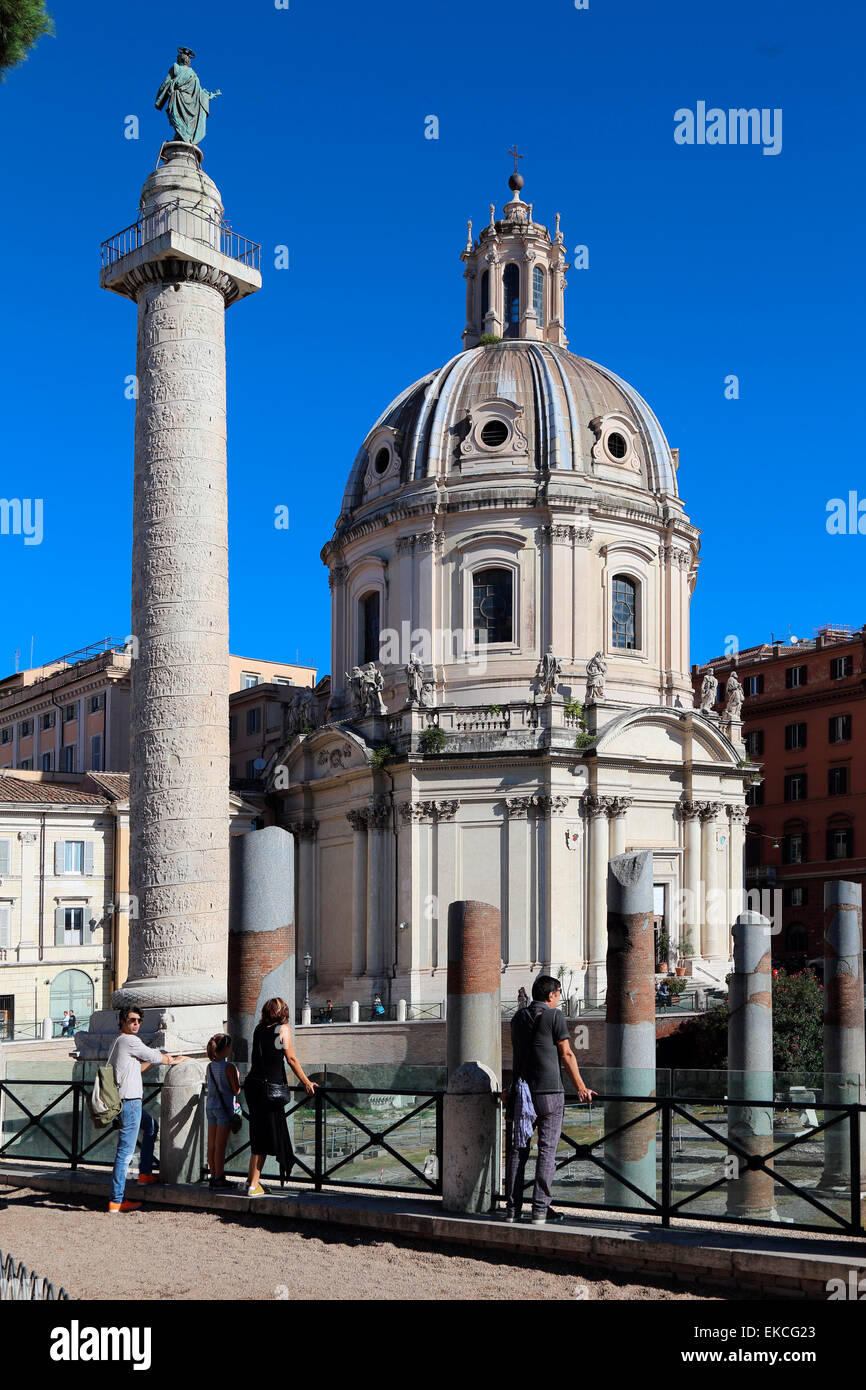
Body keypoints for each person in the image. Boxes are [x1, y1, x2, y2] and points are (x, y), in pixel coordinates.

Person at [504, 974, 595, 1226]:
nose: (558, 999)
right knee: (547, 1151)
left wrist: (510, 1088)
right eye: (558, 995)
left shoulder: (517, 1018)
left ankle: (512, 1210)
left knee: (517, 1151)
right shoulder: (554, 1016)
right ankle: (540, 1211)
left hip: (521, 1093)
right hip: (549, 1094)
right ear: (551, 995)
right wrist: (581, 1087)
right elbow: (566, 1054)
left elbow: (519, 1056)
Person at [108, 1005, 187, 1213]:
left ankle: (144, 1174)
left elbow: (138, 1068)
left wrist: (157, 1059)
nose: (136, 1024)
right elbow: (152, 1056)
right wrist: (172, 1060)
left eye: (138, 1021)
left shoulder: (118, 1042)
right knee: (125, 1152)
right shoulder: (129, 1040)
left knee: (151, 1127)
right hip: (130, 1101)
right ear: (123, 1021)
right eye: (132, 1020)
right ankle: (116, 1200)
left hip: (127, 1101)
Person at [244, 998, 316, 1198]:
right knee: (264, 1137)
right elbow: (291, 1058)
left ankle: (250, 1180)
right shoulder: (282, 1029)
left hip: (253, 1085)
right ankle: (253, 1185)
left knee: (258, 1133)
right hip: (270, 1089)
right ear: (283, 1012)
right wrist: (306, 1082)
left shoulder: (259, 1029)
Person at [205, 1033, 241, 1191]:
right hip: (224, 1109)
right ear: (226, 1048)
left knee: (211, 1145)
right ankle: (219, 1177)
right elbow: (236, 1090)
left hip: (210, 1106)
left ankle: (213, 1176)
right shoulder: (229, 1067)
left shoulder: (209, 1066)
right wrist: (238, 1076)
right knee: (220, 1145)